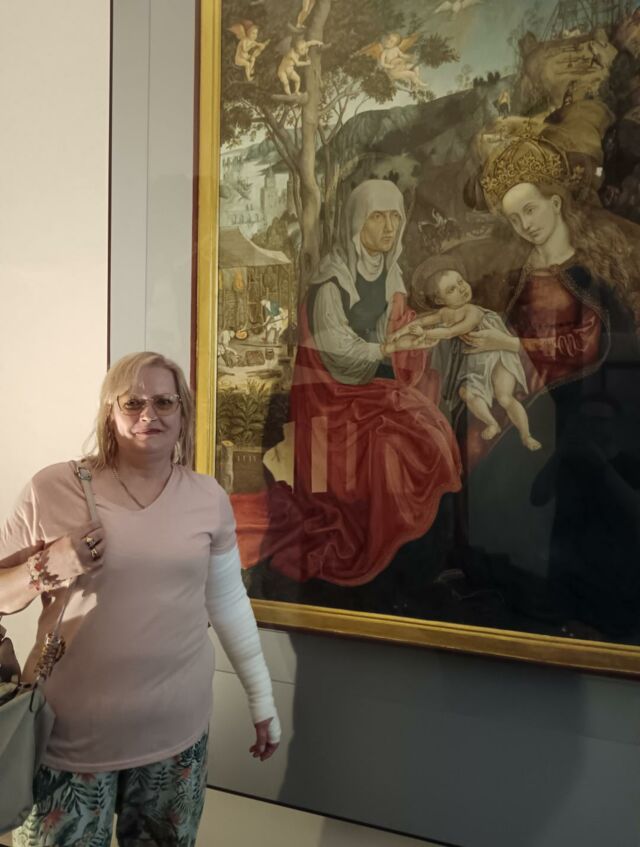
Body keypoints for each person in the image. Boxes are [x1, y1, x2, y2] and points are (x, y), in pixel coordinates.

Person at [0, 351, 280, 846]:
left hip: (176, 742)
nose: (149, 414)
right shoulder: (53, 488)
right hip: (66, 741)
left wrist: (262, 699)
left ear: (183, 412)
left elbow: (228, 602)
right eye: (132, 402)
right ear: (110, 412)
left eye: (164, 402)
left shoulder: (208, 498)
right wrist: (47, 566)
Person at [235, 179, 462, 589]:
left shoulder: (391, 272)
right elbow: (336, 350)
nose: (389, 227)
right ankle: (391, 558)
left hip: (371, 388)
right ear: (358, 222)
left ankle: (424, 558)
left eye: (395, 217)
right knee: (394, 448)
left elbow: (397, 327)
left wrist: (424, 329)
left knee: (435, 431)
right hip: (332, 398)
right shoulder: (331, 283)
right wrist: (387, 348)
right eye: (378, 217)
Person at [461, 135, 640, 635]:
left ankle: (557, 597)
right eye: (514, 218)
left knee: (548, 466)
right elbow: (511, 330)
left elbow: (587, 347)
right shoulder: (522, 273)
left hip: (588, 397)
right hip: (533, 387)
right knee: (472, 436)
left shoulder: (588, 271)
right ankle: (507, 585)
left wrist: (512, 343)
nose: (525, 224)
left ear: (555, 203)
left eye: (531, 209)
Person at [383, 256, 539, 450]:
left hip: (497, 357)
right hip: (476, 364)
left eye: (461, 281)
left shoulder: (472, 311)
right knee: (466, 394)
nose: (461, 288)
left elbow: (451, 332)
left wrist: (425, 333)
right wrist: (398, 333)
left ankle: (526, 436)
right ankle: (492, 423)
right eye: (451, 289)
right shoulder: (443, 313)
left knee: (505, 397)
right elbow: (420, 322)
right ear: (439, 300)